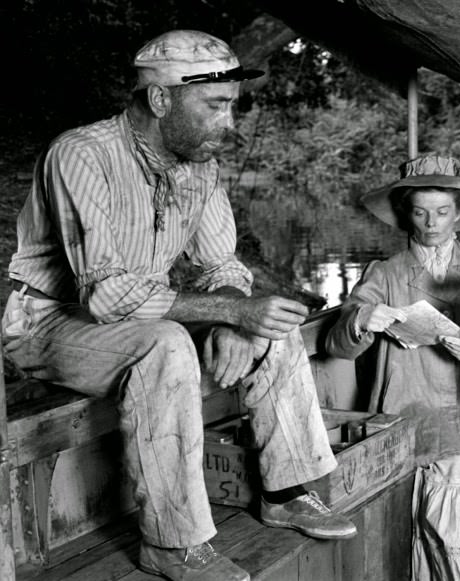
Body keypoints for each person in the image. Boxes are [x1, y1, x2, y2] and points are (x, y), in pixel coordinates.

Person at [2, 30, 356, 581]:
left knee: (276, 322)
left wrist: (237, 314)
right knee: (168, 345)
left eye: (231, 107)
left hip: (139, 317)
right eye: (215, 106)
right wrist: (229, 313)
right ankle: (172, 545)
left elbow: (223, 267)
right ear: (161, 99)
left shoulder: (200, 167)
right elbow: (105, 295)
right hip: (50, 323)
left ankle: (285, 492)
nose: (229, 124)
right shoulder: (80, 155)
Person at [326, 154, 460, 581]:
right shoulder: (383, 274)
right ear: (406, 214)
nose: (431, 223)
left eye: (442, 212)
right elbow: (337, 345)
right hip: (408, 414)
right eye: (420, 212)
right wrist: (362, 319)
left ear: (459, 213)